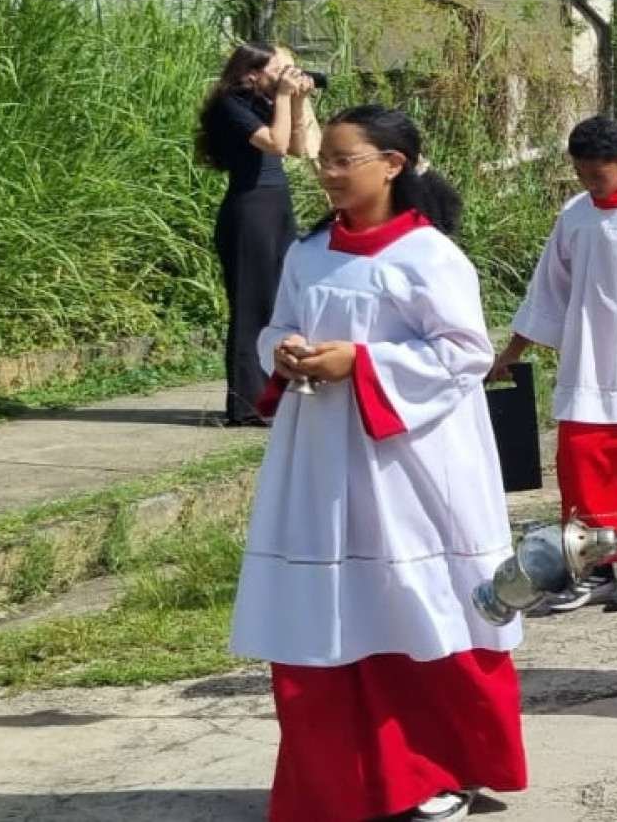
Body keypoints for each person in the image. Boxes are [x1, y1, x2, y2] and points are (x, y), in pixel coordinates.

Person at [237, 106, 523, 822]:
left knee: (417, 606)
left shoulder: (430, 257)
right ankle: (339, 780)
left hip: (409, 467)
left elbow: (466, 353)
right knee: (330, 613)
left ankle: (435, 770)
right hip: (321, 459)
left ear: (392, 165)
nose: (328, 174)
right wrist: (284, 349)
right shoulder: (308, 253)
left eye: (344, 160)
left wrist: (361, 363)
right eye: (324, 161)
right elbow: (278, 322)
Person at [491, 116, 617, 615]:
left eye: (598, 175)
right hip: (586, 362)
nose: (589, 184)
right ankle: (594, 569)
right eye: (581, 175)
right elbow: (547, 291)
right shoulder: (575, 215)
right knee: (582, 461)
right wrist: (511, 353)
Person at [198, 43, 320, 429]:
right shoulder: (229, 104)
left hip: (276, 205)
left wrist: (296, 101)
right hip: (249, 210)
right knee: (251, 306)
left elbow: (297, 148)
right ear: (251, 72)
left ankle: (275, 395)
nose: (283, 76)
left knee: (279, 302)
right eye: (277, 70)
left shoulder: (262, 102)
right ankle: (246, 404)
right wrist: (283, 96)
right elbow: (274, 143)